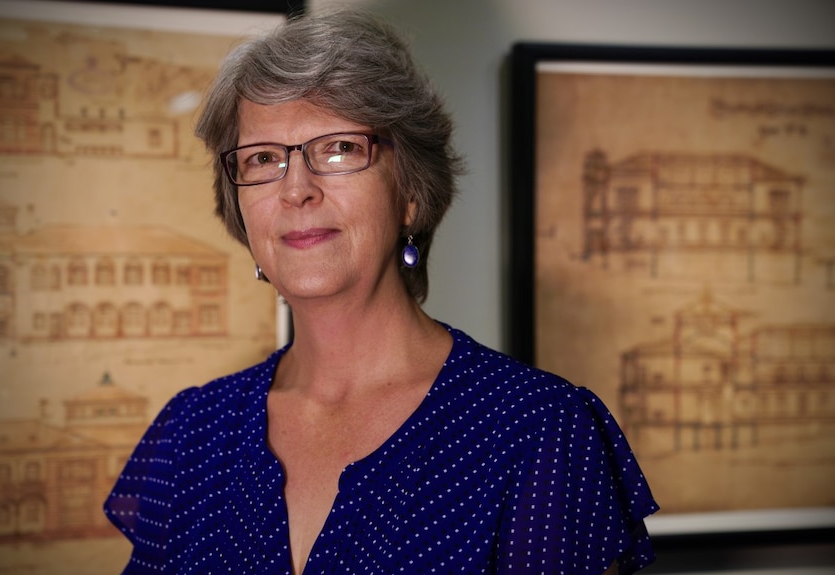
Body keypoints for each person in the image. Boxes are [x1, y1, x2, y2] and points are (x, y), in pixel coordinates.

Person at [104, 9, 658, 575]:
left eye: (339, 148)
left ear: (411, 195)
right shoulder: (192, 431)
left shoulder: (538, 429)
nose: (296, 189)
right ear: (242, 212)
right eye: (263, 159)